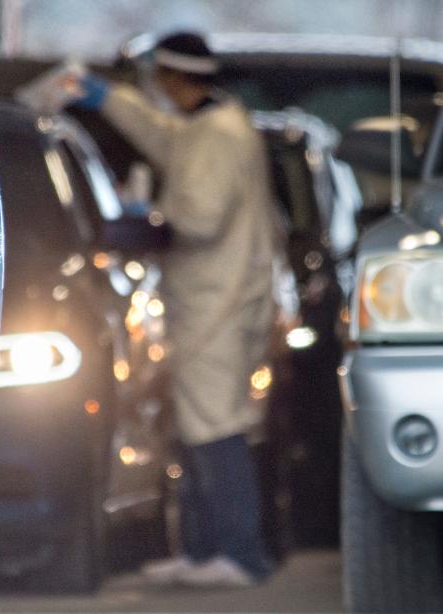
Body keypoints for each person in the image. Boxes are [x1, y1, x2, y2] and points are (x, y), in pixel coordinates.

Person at [70, 32, 279, 588]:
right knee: (193, 429)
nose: (153, 90)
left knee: (217, 430)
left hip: (220, 304)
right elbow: (163, 136)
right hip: (208, 303)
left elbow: (201, 218)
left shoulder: (219, 137)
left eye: (156, 80)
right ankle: (201, 548)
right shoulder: (207, 126)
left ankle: (239, 552)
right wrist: (108, 99)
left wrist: (152, 216)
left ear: (177, 79)